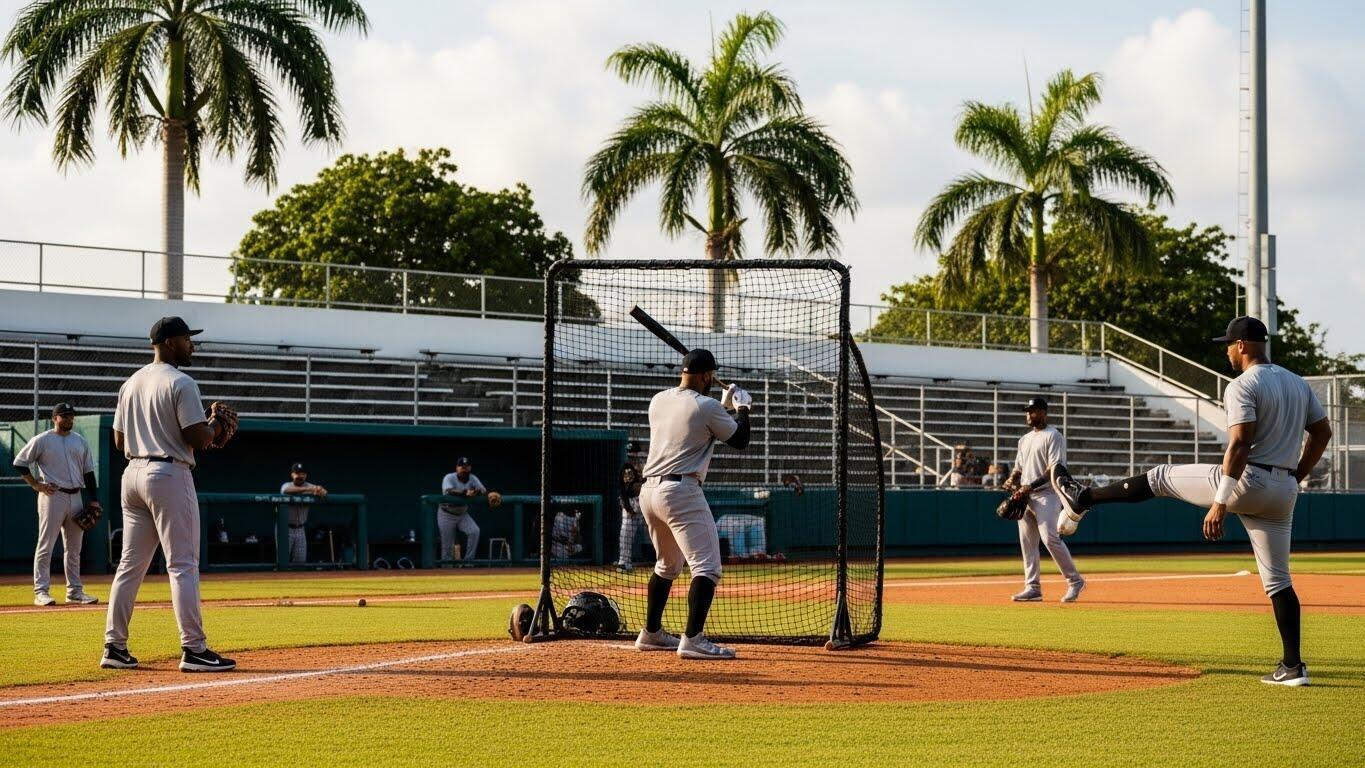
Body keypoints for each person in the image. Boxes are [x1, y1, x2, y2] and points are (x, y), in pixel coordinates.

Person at [1052, 317, 1331, 686]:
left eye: (1229, 344)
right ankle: (1293, 668)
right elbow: (1322, 432)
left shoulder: (1243, 384)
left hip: (1247, 479)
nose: (1227, 350)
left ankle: (1082, 497)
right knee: (1279, 580)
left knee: (1160, 477)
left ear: (1243, 345)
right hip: (1283, 491)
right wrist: (1297, 474)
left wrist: (1220, 500)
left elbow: (1241, 444)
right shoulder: (1297, 383)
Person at [102, 316, 237, 673]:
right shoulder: (181, 381)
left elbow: (118, 441)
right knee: (182, 565)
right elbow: (197, 438)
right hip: (168, 474)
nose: (192, 345)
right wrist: (216, 425)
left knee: (129, 567)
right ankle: (194, 649)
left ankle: (114, 646)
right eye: (187, 339)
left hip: (131, 475)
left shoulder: (129, 383)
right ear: (170, 342)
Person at [635, 349, 753, 660]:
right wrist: (742, 407)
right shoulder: (707, 406)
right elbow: (740, 439)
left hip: (649, 492)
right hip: (681, 491)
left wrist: (722, 406)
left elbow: (693, 419)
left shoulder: (659, 400)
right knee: (708, 567)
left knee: (667, 566)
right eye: (710, 377)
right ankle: (694, 639)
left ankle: (651, 633)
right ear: (704, 376)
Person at [13, 402, 100, 606]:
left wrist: (94, 499)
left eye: (71, 416)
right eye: (65, 416)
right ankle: (41, 591)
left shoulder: (79, 441)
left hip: (76, 496)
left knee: (74, 548)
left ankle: (75, 592)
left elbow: (88, 473)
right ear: (55, 418)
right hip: (53, 496)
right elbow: (20, 462)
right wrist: (36, 484)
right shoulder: (42, 440)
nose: (69, 419)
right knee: (46, 545)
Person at [1003, 396, 1085, 604]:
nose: (1029, 415)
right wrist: (1011, 479)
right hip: (1025, 496)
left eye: (1033, 411)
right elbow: (1018, 468)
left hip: (1047, 495)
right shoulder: (1024, 439)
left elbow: (1054, 470)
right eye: (1027, 411)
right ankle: (1032, 587)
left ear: (1043, 412)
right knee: (1027, 542)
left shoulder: (1053, 436)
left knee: (1050, 538)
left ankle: (1075, 581)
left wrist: (1029, 486)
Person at [440, 457, 486, 562]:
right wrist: (465, 492)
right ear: (456, 468)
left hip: (462, 513)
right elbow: (449, 490)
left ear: (470, 468)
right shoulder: (449, 477)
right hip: (446, 512)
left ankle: (468, 563)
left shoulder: (473, 478)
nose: (464, 469)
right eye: (461, 466)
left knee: (474, 531)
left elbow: (483, 491)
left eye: (466, 466)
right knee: (447, 546)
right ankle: (446, 570)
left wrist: (476, 492)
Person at [280, 462, 327, 564]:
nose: (300, 476)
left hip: (300, 529)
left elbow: (324, 492)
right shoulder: (287, 485)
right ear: (292, 474)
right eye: (297, 473)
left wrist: (320, 489)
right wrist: (308, 489)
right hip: (285, 528)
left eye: (302, 473)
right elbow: (285, 491)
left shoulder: (311, 486)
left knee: (300, 562)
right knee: (283, 561)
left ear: (306, 475)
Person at [616, 441, 646, 572]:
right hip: (631, 502)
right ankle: (624, 562)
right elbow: (625, 490)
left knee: (653, 532)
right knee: (626, 535)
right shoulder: (626, 467)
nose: (633, 455)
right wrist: (627, 507)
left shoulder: (643, 466)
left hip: (644, 501)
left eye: (635, 453)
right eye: (631, 453)